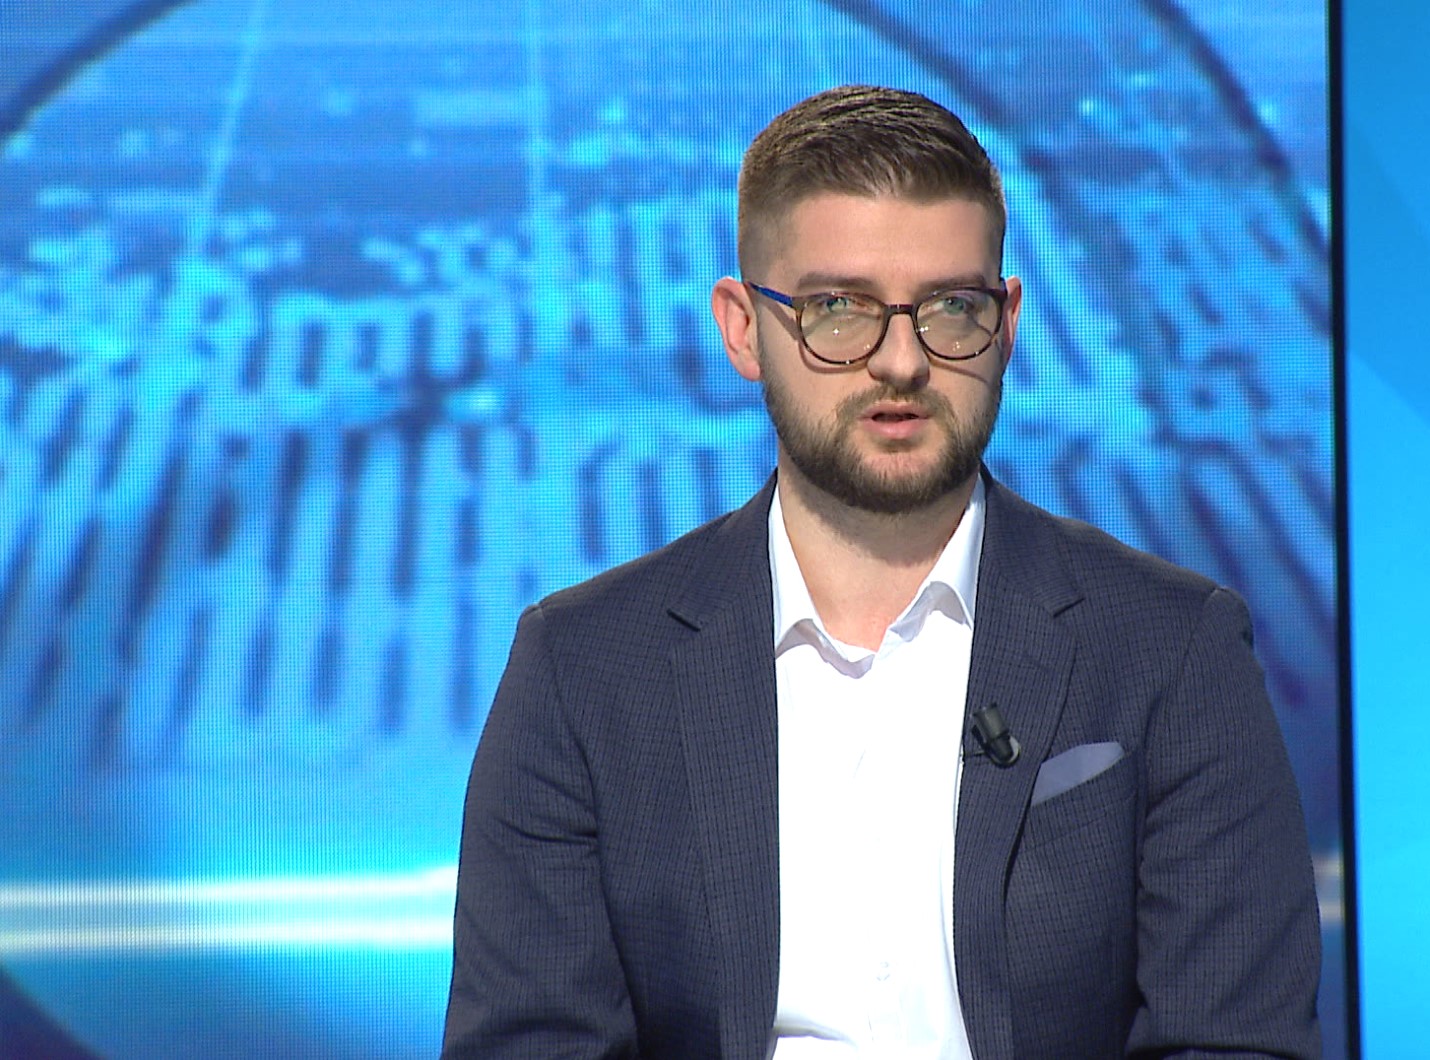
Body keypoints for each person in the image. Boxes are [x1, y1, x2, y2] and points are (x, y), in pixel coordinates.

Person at [443, 84, 1322, 1059]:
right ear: (743, 328)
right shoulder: (582, 670)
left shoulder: (1171, 649)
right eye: (838, 309)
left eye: (951, 308)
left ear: (1008, 322)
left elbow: (1234, 1041)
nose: (901, 360)